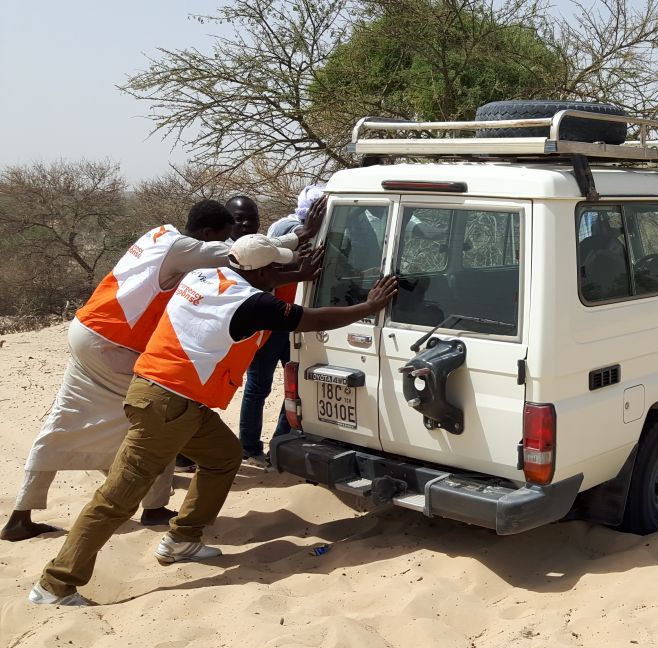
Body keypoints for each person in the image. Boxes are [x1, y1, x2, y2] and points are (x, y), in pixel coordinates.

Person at [28, 233, 400, 606]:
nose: (282, 271)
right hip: (167, 406)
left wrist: (292, 275)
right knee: (117, 500)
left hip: (172, 398)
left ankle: (182, 539)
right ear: (262, 273)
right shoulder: (250, 304)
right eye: (278, 268)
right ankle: (55, 584)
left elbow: (257, 281)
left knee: (223, 457)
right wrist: (369, 306)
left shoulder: (204, 276)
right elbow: (309, 318)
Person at [1, 200, 312, 543]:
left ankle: (21, 516)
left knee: (65, 420)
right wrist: (296, 239)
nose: (233, 236)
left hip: (88, 329)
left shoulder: (160, 234)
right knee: (161, 414)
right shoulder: (185, 250)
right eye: (226, 232)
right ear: (208, 234)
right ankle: (153, 508)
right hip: (114, 345)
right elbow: (237, 257)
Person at [237, 184, 326, 465]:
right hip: (271, 320)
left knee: (295, 384)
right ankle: (249, 448)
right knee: (259, 385)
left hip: (295, 320)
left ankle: (280, 442)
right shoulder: (285, 228)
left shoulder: (325, 229)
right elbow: (269, 268)